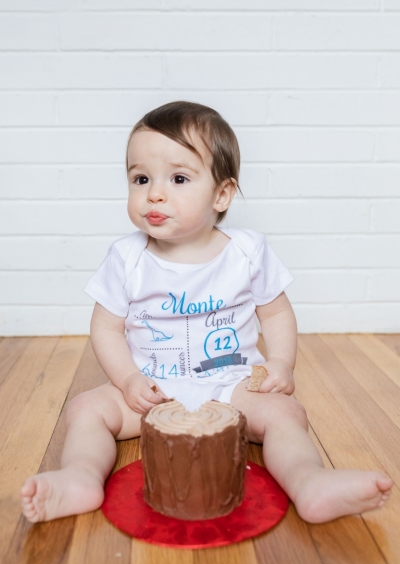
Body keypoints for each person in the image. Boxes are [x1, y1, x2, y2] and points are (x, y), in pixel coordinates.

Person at [21, 101, 392, 523]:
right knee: (85, 409)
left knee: (287, 414)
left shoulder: (246, 252)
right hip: (153, 388)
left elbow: (276, 315)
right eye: (140, 178)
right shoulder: (127, 258)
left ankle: (309, 482)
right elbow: (106, 328)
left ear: (221, 194)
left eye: (178, 178)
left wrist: (281, 364)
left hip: (232, 383)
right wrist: (127, 380)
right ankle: (80, 477)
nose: (154, 193)